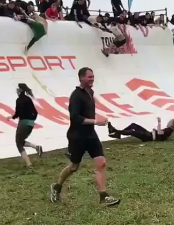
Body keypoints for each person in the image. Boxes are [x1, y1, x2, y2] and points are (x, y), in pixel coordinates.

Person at [49, 68, 121, 207]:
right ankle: (57, 187)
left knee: (101, 163)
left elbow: (87, 115)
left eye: (93, 76)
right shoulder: (76, 96)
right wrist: (95, 121)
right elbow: (75, 118)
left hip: (90, 135)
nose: (92, 79)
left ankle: (103, 197)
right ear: (81, 78)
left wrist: (97, 121)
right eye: (89, 77)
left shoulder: (90, 93)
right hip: (77, 136)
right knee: (74, 167)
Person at [6, 83, 43, 167]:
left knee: (18, 143)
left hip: (23, 123)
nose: (16, 91)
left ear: (20, 90)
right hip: (31, 123)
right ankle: (36, 147)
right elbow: (35, 112)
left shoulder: (18, 100)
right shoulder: (28, 99)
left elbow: (17, 114)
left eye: (17, 89)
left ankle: (28, 164)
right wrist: (32, 120)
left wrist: (10, 117)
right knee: (21, 140)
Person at [107, 117, 174, 142]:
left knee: (133, 132)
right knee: (133, 125)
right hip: (149, 134)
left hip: (149, 137)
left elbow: (159, 133)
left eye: (169, 122)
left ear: (172, 124)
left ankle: (115, 131)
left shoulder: (168, 131)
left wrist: (159, 122)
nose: (168, 122)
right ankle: (117, 133)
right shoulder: (168, 130)